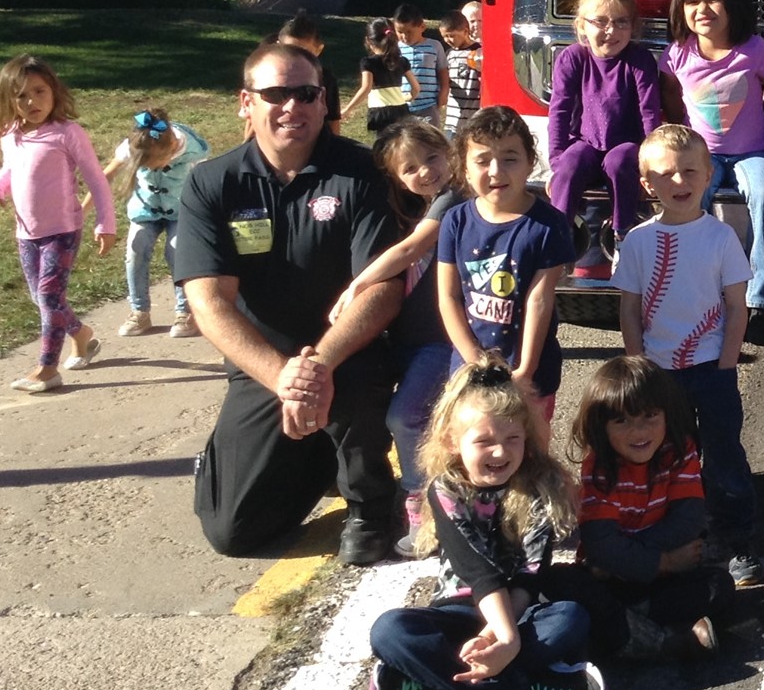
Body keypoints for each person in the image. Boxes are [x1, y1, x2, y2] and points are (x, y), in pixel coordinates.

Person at [177, 42, 405, 561]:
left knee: (354, 390)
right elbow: (209, 303)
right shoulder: (211, 184)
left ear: (324, 102)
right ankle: (312, 459)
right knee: (234, 532)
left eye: (306, 93)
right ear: (245, 102)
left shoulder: (362, 173)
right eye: (275, 93)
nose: (292, 106)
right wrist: (285, 378)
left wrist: (318, 366)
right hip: (264, 363)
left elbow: (383, 289)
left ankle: (370, 503)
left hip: (350, 353)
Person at [368, 362, 607, 690]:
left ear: (526, 437)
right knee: (389, 630)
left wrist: (500, 637)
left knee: (570, 618)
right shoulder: (446, 488)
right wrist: (506, 642)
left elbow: (531, 572)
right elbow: (478, 572)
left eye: (512, 439)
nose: (500, 452)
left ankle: (425, 685)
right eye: (484, 441)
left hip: (518, 609)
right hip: (459, 613)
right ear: (452, 441)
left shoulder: (541, 485)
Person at [616, 123, 764, 589]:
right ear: (647, 184)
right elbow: (629, 309)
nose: (678, 182)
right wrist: (639, 363)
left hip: (711, 369)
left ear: (708, 177)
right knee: (669, 460)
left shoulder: (720, 237)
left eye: (689, 172)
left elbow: (735, 307)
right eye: (665, 174)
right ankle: (674, 537)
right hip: (660, 372)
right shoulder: (639, 241)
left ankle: (735, 540)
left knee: (724, 458)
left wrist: (726, 363)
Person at [328, 117, 469, 553]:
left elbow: (410, 250)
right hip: (412, 336)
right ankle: (447, 503)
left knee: (405, 417)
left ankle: (422, 506)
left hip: (440, 339)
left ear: (449, 151)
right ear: (397, 178)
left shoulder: (454, 198)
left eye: (432, 157)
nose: (425, 171)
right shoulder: (419, 205)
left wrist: (357, 286)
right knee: (429, 423)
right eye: (410, 168)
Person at [657, 0, 764, 346]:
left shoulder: (754, 49)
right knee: (689, 204)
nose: (703, 10)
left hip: (753, 152)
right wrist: (679, 131)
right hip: (701, 156)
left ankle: (762, 298)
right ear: (680, 8)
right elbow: (668, 92)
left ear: (733, 6)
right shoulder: (678, 54)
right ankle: (693, 293)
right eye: (692, 2)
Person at [571, 354, 729, 661]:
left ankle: (631, 626)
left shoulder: (680, 450)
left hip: (631, 570)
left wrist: (629, 555)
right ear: (600, 426)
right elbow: (600, 543)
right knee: (572, 586)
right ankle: (663, 635)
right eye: (621, 421)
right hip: (615, 578)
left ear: (667, 415)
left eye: (650, 417)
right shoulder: (600, 468)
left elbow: (689, 518)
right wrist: (666, 561)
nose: (639, 432)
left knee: (719, 585)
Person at [0, 55, 116, 391]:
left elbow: (97, 180)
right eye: (22, 95)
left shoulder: (67, 133)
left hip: (62, 230)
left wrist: (106, 223)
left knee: (48, 295)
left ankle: (47, 369)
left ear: (54, 91)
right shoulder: (10, 134)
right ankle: (82, 334)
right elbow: (9, 171)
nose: (32, 102)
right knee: (42, 298)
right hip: (27, 232)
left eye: (40, 92)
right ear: (8, 99)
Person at [437, 106, 574, 419]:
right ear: (464, 170)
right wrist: (473, 360)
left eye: (510, 158)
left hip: (530, 372)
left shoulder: (549, 226)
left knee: (528, 455)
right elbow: (448, 296)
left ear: (530, 163)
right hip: (469, 372)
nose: (496, 171)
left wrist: (525, 368)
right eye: (483, 161)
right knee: (477, 450)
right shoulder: (454, 222)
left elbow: (540, 300)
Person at [548, 0, 661, 280]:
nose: (610, 31)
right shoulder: (572, 57)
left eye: (621, 22)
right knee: (571, 162)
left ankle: (621, 235)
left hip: (626, 145)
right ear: (582, 25)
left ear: (633, 26)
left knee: (620, 159)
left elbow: (649, 111)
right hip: (585, 144)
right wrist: (556, 162)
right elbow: (559, 108)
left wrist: (653, 167)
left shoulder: (639, 60)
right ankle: (559, 240)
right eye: (600, 21)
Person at [101, 106, 210, 339]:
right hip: (146, 209)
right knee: (135, 250)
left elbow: (207, 186)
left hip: (182, 210)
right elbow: (105, 177)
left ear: (171, 149)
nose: (149, 167)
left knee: (177, 250)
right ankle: (139, 311)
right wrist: (81, 211)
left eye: (154, 163)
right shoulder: (138, 145)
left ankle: (186, 312)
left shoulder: (192, 151)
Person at [343, 17, 417, 136]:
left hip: (381, 112)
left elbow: (366, 89)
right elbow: (416, 88)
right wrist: (407, 97)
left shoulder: (368, 62)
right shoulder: (402, 61)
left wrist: (347, 109)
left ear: (368, 41)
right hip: (401, 110)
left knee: (383, 146)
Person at [276, 13, 341, 134]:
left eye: (305, 53)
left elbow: (333, 119)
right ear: (278, 47)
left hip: (316, 141)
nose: (297, 58)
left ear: (319, 50)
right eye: (290, 50)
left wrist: (334, 148)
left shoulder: (325, 79)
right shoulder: (270, 77)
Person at [393, 4, 448, 126]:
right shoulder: (395, 49)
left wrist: (444, 91)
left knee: (430, 141)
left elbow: (442, 70)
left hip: (428, 105)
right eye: (400, 32)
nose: (405, 36)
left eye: (409, 31)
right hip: (403, 105)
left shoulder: (434, 46)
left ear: (422, 26)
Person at [440, 9, 481, 136]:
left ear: (465, 31)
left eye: (452, 35)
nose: (448, 40)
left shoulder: (479, 51)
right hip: (452, 117)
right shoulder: (449, 54)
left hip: (473, 116)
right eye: (445, 36)